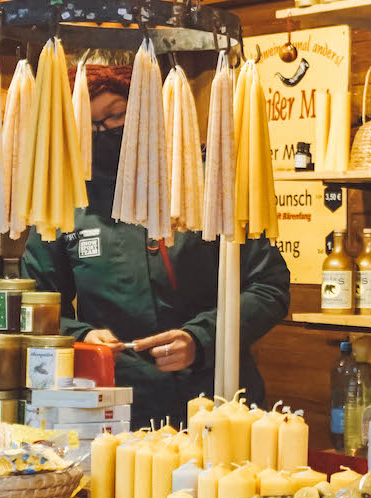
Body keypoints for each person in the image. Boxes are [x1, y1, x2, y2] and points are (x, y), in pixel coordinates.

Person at [21, 64, 290, 425]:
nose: (102, 133)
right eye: (89, 125)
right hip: (111, 405)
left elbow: (268, 286)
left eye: (115, 116)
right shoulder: (65, 198)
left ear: (143, 113)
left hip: (216, 400)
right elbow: (34, 304)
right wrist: (83, 337)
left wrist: (199, 339)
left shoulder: (204, 181)